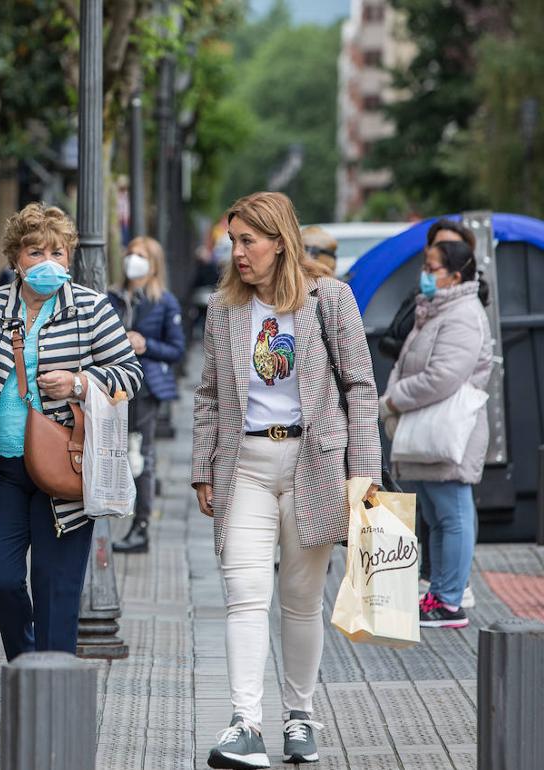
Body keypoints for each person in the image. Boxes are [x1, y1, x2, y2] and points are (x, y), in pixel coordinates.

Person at [192, 192, 381, 768]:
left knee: (300, 601)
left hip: (315, 465)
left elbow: (361, 388)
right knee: (245, 596)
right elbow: (207, 393)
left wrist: (364, 474)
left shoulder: (330, 299)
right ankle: (244, 722)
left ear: (280, 241)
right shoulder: (224, 307)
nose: (239, 253)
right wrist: (202, 466)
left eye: (249, 240)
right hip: (243, 464)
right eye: (233, 241)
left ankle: (300, 718)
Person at [0, 203, 143, 663]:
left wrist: (79, 383)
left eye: (57, 252)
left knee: (56, 590)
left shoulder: (90, 308)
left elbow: (129, 374)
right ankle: (27, 663)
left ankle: (55, 696)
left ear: (70, 258)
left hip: (65, 472)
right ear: (15, 258)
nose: (46, 262)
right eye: (34, 250)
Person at [381, 238, 492, 631]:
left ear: (456, 276)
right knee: (436, 513)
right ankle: (440, 593)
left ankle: (449, 600)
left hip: (446, 431)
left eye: (433, 269)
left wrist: (394, 399)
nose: (425, 276)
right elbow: (408, 362)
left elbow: (443, 376)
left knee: (452, 513)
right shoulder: (437, 309)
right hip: (424, 427)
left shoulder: (462, 314)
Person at [108, 236, 186, 554]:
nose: (133, 261)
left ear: (153, 263)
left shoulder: (163, 301)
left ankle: (141, 527)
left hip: (145, 389)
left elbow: (176, 348)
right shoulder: (112, 297)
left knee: (139, 454)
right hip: (112, 386)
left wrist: (145, 346)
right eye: (130, 254)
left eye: (140, 256)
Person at [378, 219, 476, 362]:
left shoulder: (467, 306)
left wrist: (410, 352)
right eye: (439, 246)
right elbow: (388, 338)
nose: (442, 252)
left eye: (452, 248)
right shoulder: (420, 294)